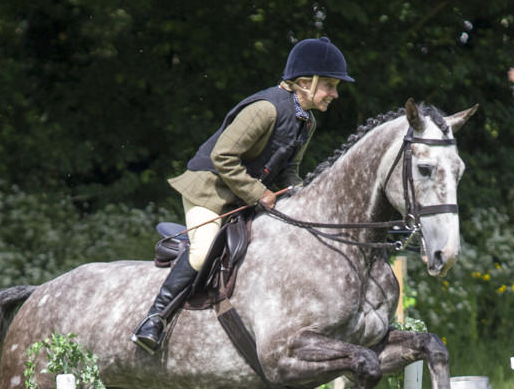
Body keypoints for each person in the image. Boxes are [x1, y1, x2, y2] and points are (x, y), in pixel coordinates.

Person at [131, 36, 354, 353]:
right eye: (329, 86)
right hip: (209, 190)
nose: (334, 94)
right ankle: (154, 320)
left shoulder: (308, 122)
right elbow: (223, 157)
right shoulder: (265, 109)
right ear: (305, 82)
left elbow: (289, 171)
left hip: (242, 195)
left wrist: (304, 198)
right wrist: (258, 192)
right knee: (203, 250)